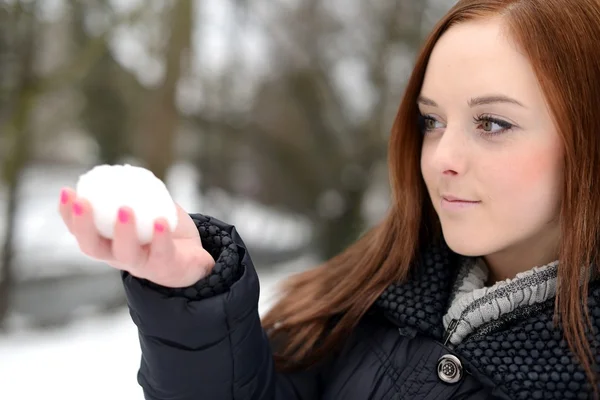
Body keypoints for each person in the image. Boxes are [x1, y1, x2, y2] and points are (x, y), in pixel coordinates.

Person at [58, 0, 600, 398]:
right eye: (431, 121)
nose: (440, 157)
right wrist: (195, 299)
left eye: (493, 123)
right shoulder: (367, 301)